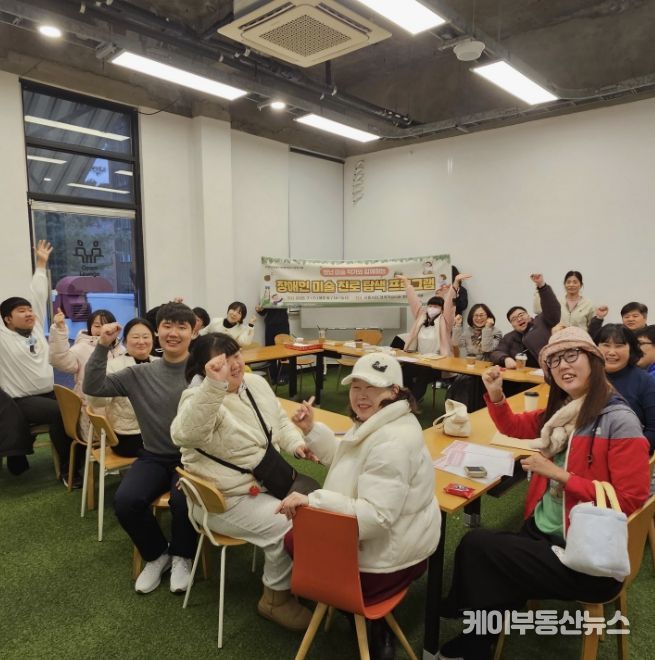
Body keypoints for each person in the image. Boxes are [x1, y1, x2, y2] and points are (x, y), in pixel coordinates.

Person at [438, 327, 650, 660]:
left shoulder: (619, 421)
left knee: (478, 546)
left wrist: (559, 475)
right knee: (482, 551)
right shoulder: (566, 411)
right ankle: (474, 626)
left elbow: (631, 499)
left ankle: (472, 633)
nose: (563, 365)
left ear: (593, 360)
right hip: (545, 529)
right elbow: (515, 428)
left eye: (571, 355)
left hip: (588, 556)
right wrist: (496, 395)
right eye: (554, 361)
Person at [278, 352, 441, 659]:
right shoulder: (383, 420)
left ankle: (364, 615)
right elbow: (351, 457)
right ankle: (366, 618)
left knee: (292, 540)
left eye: (372, 388)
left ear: (394, 391)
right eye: (356, 387)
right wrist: (312, 430)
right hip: (397, 544)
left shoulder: (391, 439)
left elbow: (376, 517)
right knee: (296, 538)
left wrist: (313, 501)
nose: (361, 396)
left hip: (386, 564)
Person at [170, 333, 316, 631]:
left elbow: (279, 421)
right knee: (287, 523)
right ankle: (274, 601)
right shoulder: (198, 398)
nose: (234, 364)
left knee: (317, 501)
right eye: (222, 361)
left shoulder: (255, 383)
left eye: (235, 355)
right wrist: (214, 386)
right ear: (205, 368)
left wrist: (296, 444)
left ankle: (305, 577)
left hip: (264, 482)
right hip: (223, 500)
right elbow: (185, 435)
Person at [83, 302, 198, 595]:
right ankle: (157, 554)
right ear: (157, 331)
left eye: (182, 327)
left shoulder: (202, 372)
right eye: (167, 326)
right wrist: (102, 346)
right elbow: (94, 387)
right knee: (126, 501)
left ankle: (183, 556)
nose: (173, 333)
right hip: (154, 455)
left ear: (193, 332)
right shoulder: (139, 373)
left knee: (183, 501)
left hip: (194, 458)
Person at [0, 240, 78, 484]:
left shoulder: (35, 329)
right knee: (61, 413)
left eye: (29, 309)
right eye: (21, 311)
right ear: (7, 319)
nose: (29, 313)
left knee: (79, 406)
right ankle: (68, 469)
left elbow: (38, 294)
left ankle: (82, 457)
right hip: (22, 400)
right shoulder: (3, 338)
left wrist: (41, 265)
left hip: (49, 392)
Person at [48, 308, 126, 440]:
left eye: (106, 325)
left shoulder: (121, 349)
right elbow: (60, 360)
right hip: (91, 409)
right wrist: (59, 330)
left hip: (117, 408)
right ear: (90, 327)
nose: (102, 330)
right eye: (97, 326)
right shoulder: (81, 348)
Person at [87, 318, 156, 457]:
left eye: (146, 337)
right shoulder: (114, 367)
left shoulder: (159, 363)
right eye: (135, 337)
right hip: (129, 435)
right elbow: (97, 401)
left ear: (153, 340)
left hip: (157, 430)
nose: (141, 341)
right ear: (125, 341)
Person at [399, 272, 468, 401]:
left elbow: (449, 304)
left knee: (424, 373)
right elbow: (413, 301)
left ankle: (412, 402)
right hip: (419, 360)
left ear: (441, 309)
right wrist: (407, 284)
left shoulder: (445, 321)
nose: (432, 308)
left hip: (437, 364)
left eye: (436, 306)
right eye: (430, 305)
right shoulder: (421, 317)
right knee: (403, 369)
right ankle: (407, 397)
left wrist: (455, 284)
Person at [595, 324, 655, 453]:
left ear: (631, 349)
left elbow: (653, 430)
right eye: (606, 345)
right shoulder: (586, 377)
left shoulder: (646, 382)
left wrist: (625, 453)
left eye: (619, 346)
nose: (612, 352)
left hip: (628, 453)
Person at [490, 273, 561, 369]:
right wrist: (505, 359)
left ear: (529, 316)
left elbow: (552, 310)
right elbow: (495, 353)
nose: (519, 319)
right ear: (512, 325)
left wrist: (542, 286)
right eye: (514, 319)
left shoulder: (541, 321)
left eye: (521, 315)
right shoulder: (509, 337)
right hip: (524, 375)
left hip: (552, 367)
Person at [449, 304, 503, 412]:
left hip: (487, 371)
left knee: (467, 384)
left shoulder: (496, 332)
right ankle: (459, 412)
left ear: (488, 316)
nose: (478, 318)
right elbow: (456, 343)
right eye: (476, 315)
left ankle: (469, 411)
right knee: (459, 385)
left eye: (482, 315)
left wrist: (487, 328)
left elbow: (486, 348)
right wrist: (457, 325)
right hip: (470, 369)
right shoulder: (468, 331)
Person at [533, 270, 607, 332]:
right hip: (559, 341)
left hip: (580, 342)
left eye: (575, 282)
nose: (571, 285)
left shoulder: (588, 304)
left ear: (581, 285)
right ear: (564, 284)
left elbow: (593, 329)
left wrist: (600, 317)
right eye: (568, 282)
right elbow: (538, 310)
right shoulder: (557, 302)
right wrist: (539, 286)